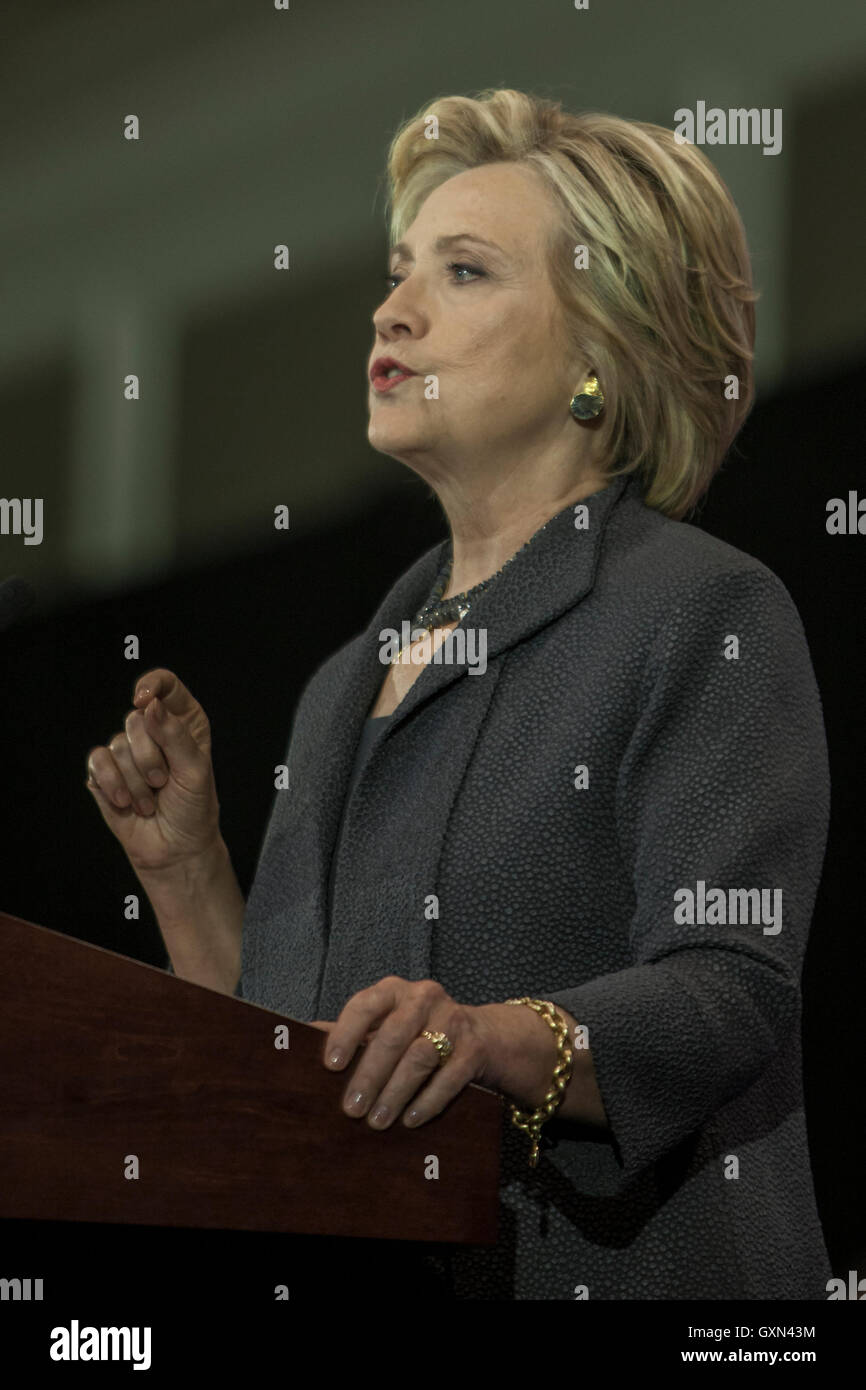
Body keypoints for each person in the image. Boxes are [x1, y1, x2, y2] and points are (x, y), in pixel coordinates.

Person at [86, 88, 832, 1300]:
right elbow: (296, 1063)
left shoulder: (699, 611)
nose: (392, 308)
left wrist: (492, 1038)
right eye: (397, 271)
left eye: (465, 271)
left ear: (600, 347)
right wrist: (185, 872)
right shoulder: (342, 685)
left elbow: (727, 989)